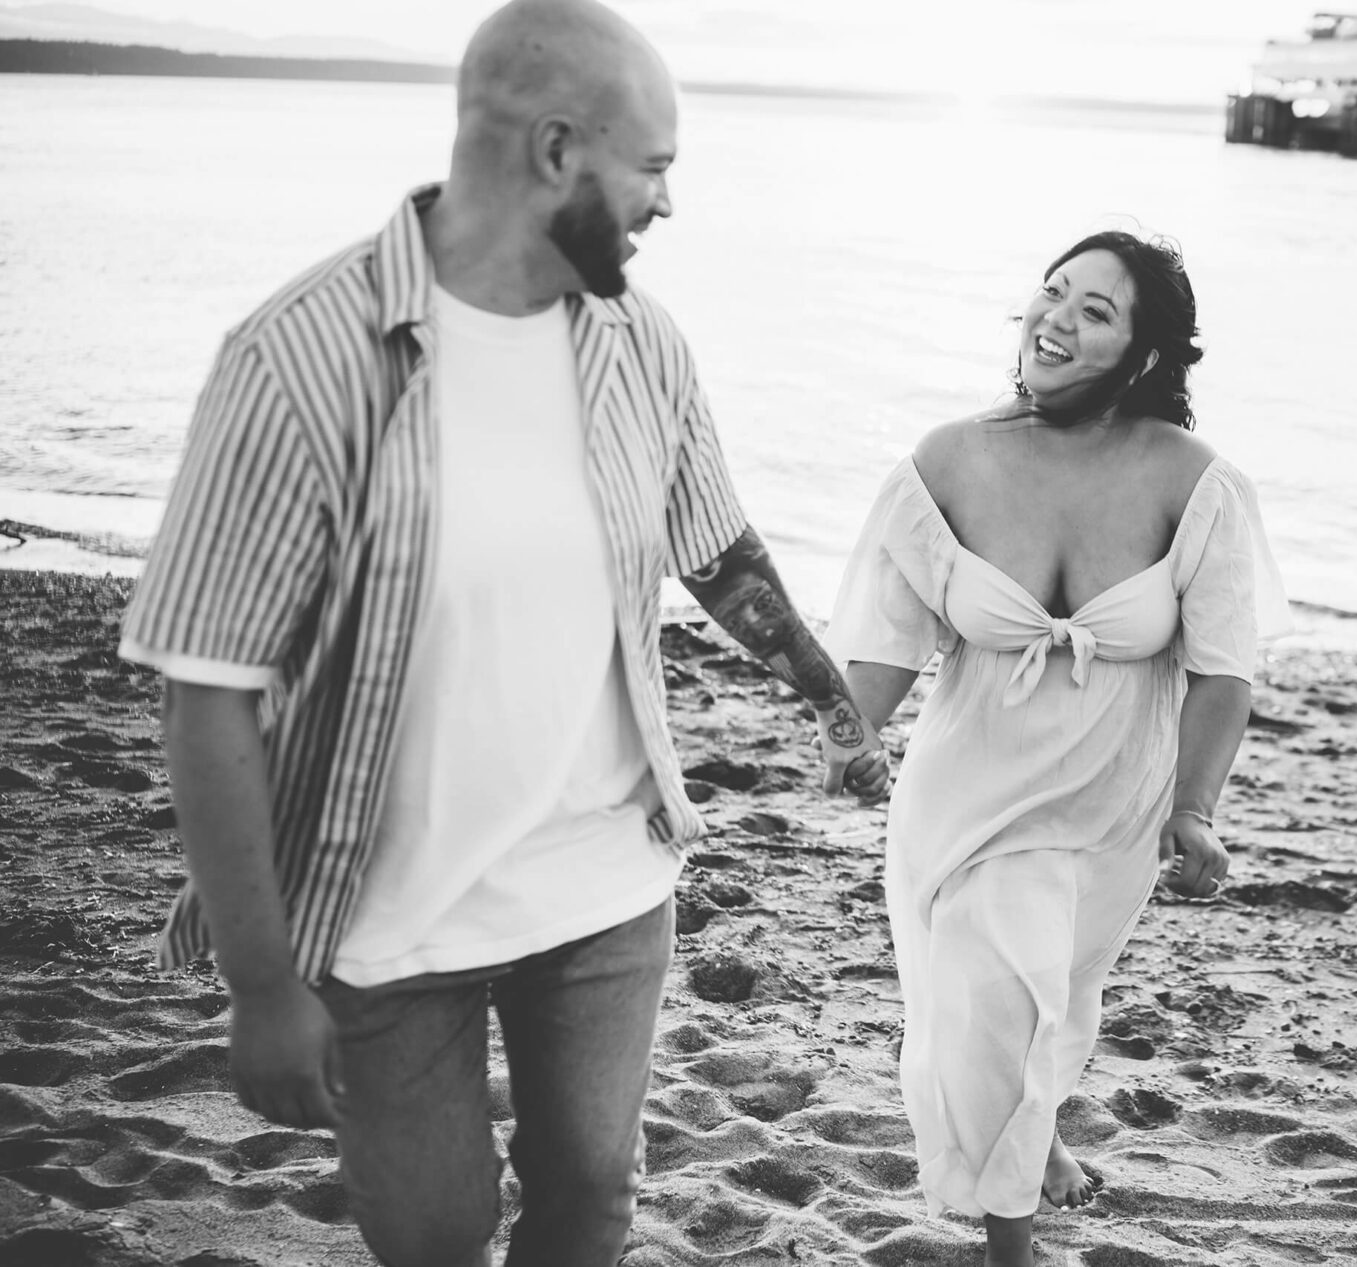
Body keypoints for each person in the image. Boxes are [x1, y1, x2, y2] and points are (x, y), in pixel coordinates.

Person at [117, 2, 885, 1264]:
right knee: (435, 1237)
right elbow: (206, 692)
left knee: (592, 1199)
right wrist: (260, 985)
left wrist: (829, 700)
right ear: (556, 150)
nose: (667, 203)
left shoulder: (641, 341)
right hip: (384, 915)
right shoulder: (300, 361)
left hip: (606, 883)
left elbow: (717, 551)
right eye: (653, 167)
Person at [823, 230, 1292, 1266]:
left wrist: (1196, 808)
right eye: (1053, 292)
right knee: (994, 1006)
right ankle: (1013, 1247)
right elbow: (890, 641)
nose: (1056, 319)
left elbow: (1222, 671)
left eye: (1095, 310)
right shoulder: (948, 461)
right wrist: (851, 732)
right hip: (969, 797)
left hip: (1111, 806)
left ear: (1142, 355)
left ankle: (1036, 1138)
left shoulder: (1195, 485)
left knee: (1054, 997)